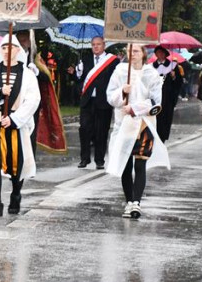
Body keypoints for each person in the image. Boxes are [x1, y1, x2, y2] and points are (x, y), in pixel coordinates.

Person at [0, 34, 41, 217]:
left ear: (18, 50)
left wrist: (15, 119)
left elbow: (33, 100)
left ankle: (16, 193)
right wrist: (0, 92)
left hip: (15, 123)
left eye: (11, 47)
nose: (7, 51)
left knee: (16, 162)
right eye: (4, 47)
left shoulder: (27, 75)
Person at [106, 44, 170, 219]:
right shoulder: (120, 71)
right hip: (124, 125)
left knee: (140, 164)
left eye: (135, 51)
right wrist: (122, 91)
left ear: (143, 53)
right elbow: (110, 97)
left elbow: (156, 102)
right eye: (129, 51)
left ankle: (136, 202)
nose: (132, 54)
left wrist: (135, 108)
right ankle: (129, 201)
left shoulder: (151, 74)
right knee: (126, 165)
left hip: (143, 124)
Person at [69, 36, 119, 169]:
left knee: (101, 131)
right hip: (87, 101)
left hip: (104, 101)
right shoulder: (85, 60)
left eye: (98, 44)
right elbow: (78, 80)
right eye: (93, 45)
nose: (95, 47)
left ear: (104, 45)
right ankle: (84, 159)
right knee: (84, 129)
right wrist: (76, 73)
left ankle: (99, 160)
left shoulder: (112, 61)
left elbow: (117, 79)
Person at [150, 46, 184, 142]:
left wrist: (174, 77)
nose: (160, 54)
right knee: (155, 118)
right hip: (155, 98)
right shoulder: (151, 67)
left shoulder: (173, 66)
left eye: (162, 52)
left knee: (166, 118)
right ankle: (154, 138)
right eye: (158, 52)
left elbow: (179, 83)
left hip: (168, 98)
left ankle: (163, 138)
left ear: (165, 54)